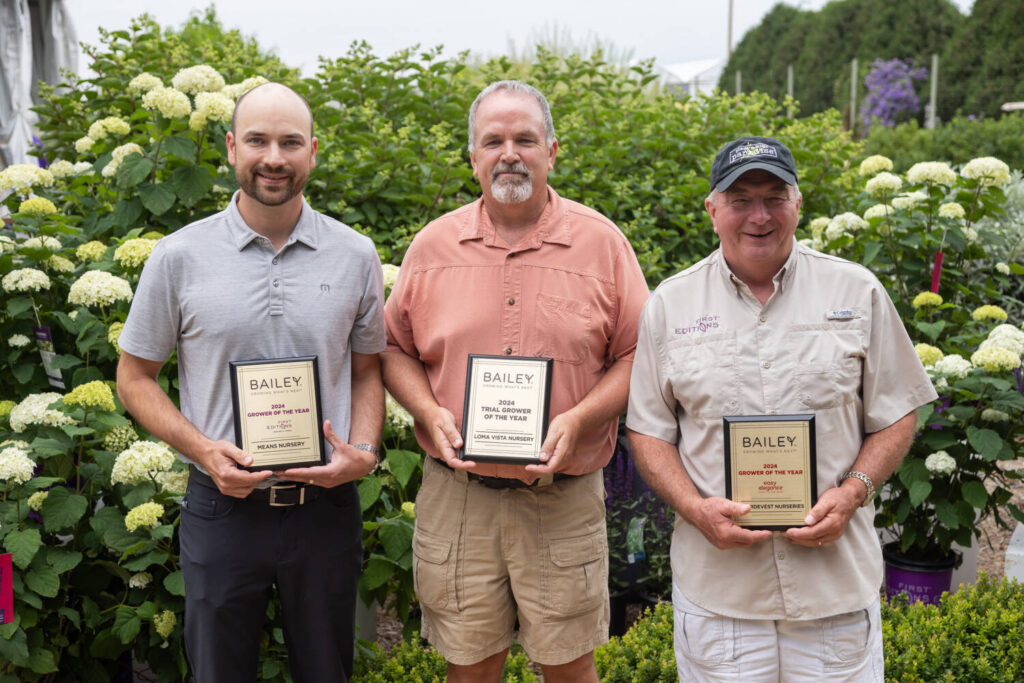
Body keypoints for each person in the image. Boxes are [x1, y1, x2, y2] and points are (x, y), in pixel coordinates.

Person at [626, 136, 938, 681]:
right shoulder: (670, 306)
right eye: (740, 198)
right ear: (712, 209)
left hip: (832, 595)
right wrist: (695, 510)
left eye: (774, 196)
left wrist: (853, 491)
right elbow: (648, 432)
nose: (759, 215)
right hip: (721, 597)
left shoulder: (856, 289)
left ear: (798, 203)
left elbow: (896, 411)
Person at [116, 83, 385, 683]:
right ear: (232, 148)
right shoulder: (177, 257)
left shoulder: (355, 254)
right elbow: (134, 378)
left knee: (328, 672)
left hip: (325, 506)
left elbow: (369, 369)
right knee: (218, 672)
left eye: (291, 142)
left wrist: (363, 452)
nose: (274, 157)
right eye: (258, 140)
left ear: (313, 152)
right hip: (223, 507)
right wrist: (203, 451)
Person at [381, 80, 649, 682]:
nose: (509, 153)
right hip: (459, 500)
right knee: (468, 671)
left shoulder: (602, 245)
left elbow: (640, 356)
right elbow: (394, 348)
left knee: (571, 672)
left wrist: (579, 419)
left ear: (552, 150)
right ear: (473, 156)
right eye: (493, 140)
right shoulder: (433, 247)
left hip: (562, 502)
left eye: (524, 139)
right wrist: (427, 410)